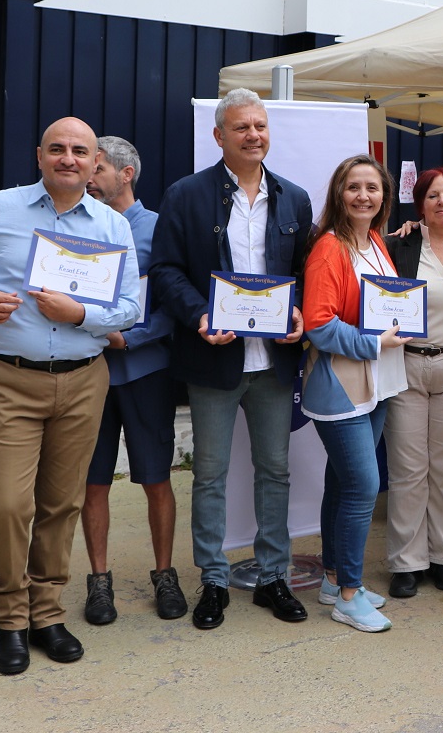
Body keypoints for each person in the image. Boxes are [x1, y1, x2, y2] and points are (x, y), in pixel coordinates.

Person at [0, 118, 141, 675]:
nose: (69, 158)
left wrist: (81, 313)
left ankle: (46, 614)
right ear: (39, 155)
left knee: (62, 503)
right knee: (8, 504)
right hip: (11, 379)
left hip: (83, 379)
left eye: (80, 151)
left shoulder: (112, 225)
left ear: (95, 164)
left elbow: (129, 308)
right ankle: (9, 618)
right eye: (58, 149)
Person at [148, 88, 312, 631]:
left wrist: (298, 313)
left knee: (275, 472)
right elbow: (166, 270)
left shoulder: (293, 198)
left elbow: (304, 273)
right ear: (219, 136)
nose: (253, 135)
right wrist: (199, 314)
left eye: (260, 126)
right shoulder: (186, 195)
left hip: (273, 362)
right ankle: (214, 580)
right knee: (211, 474)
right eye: (242, 127)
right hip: (213, 358)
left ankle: (273, 576)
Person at [302, 154, 411, 632]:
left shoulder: (376, 242)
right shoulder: (329, 248)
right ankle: (348, 594)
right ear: (338, 194)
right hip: (342, 385)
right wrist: (374, 342)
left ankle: (333, 579)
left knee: (342, 483)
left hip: (378, 382)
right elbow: (319, 324)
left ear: (384, 196)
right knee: (364, 487)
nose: (363, 196)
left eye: (372, 187)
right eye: (353, 187)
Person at [80, 136, 186, 625]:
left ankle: (164, 574)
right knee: (93, 481)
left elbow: (172, 301)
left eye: (97, 167)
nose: (87, 175)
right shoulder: (78, 226)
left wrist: (133, 338)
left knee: (156, 478)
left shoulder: (159, 228)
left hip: (146, 372)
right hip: (89, 373)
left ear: (126, 174)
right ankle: (98, 582)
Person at [383, 166, 443, 598]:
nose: (442, 202)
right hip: (406, 365)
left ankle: (442, 557)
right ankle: (406, 562)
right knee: (407, 470)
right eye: (433, 195)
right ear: (420, 203)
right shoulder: (397, 246)